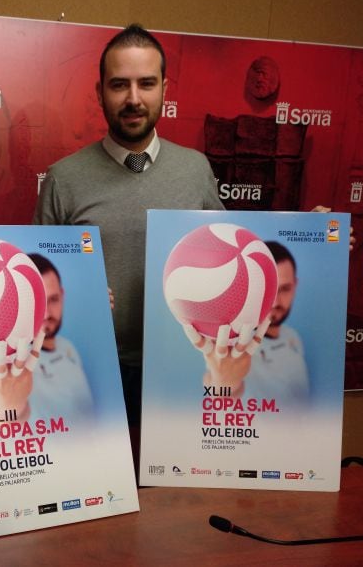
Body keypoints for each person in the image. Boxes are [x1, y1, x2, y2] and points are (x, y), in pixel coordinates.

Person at [33, 24, 224, 426]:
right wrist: (76, 295)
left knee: (169, 488)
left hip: (182, 365)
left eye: (146, 84)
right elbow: (38, 281)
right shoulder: (63, 179)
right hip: (90, 368)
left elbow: (229, 255)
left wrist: (314, 237)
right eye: (119, 84)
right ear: (99, 91)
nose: (133, 99)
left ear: (164, 90)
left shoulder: (195, 169)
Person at [26, 254, 94, 422]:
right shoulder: (12, 363)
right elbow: (3, 407)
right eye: (36, 302)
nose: (47, 313)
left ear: (62, 296)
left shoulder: (67, 347)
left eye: (53, 299)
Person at [240, 242, 310, 404]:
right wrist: (222, 381)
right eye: (266, 290)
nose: (275, 303)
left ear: (295, 286)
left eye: (285, 289)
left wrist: (339, 243)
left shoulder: (293, 336)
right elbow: (219, 384)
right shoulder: (236, 347)